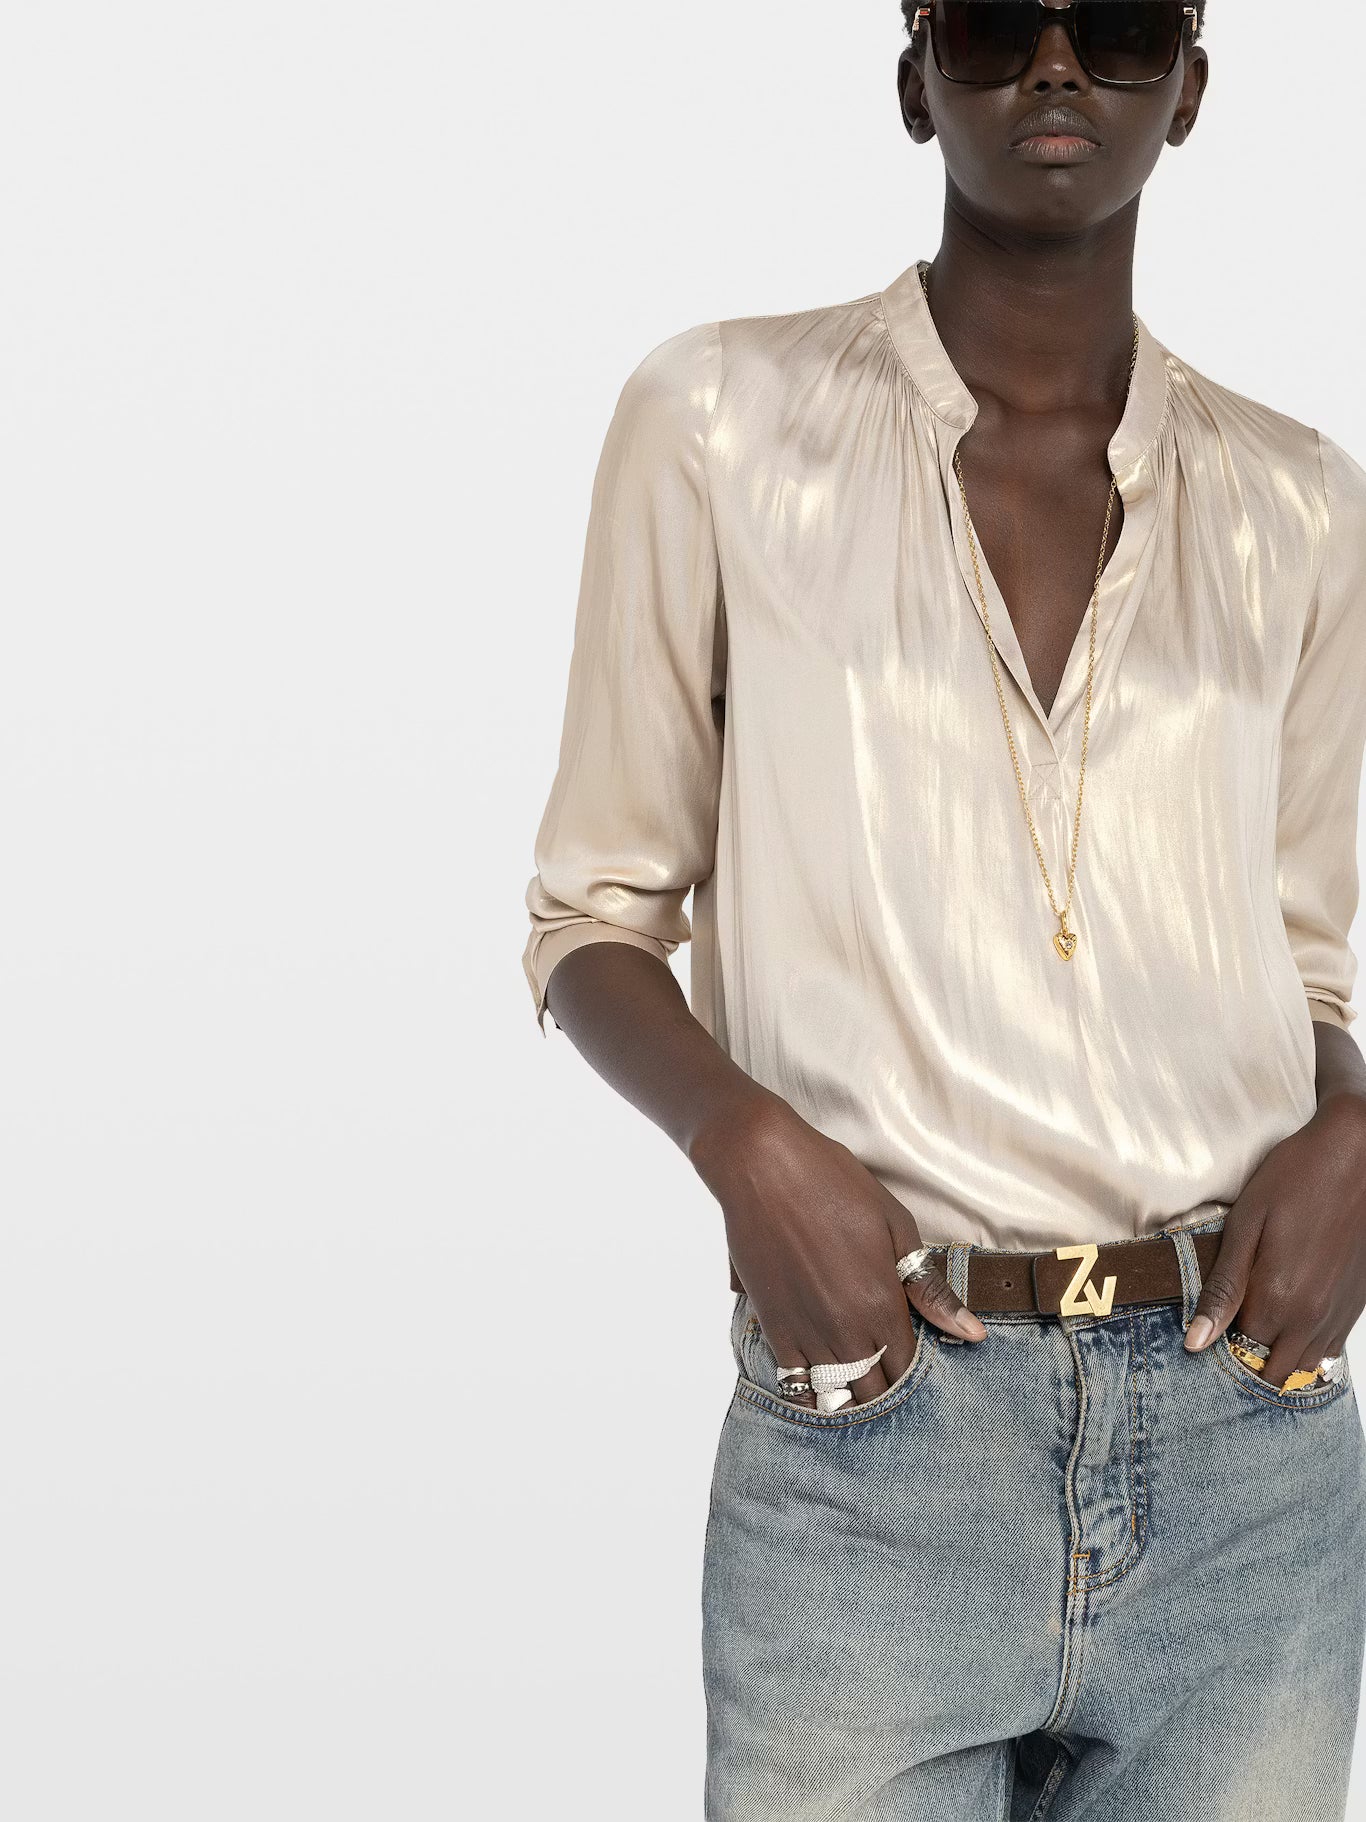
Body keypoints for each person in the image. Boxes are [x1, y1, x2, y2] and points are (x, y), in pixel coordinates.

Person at [520, 3, 1366, 1815]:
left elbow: (1301, 957)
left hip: (1244, 1435)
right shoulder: (717, 422)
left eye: (1115, 26)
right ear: (915, 80)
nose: (1052, 67)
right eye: (991, 23)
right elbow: (590, 914)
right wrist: (748, 1148)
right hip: (880, 1414)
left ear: (1187, 88)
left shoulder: (1296, 501)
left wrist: (1356, 1134)